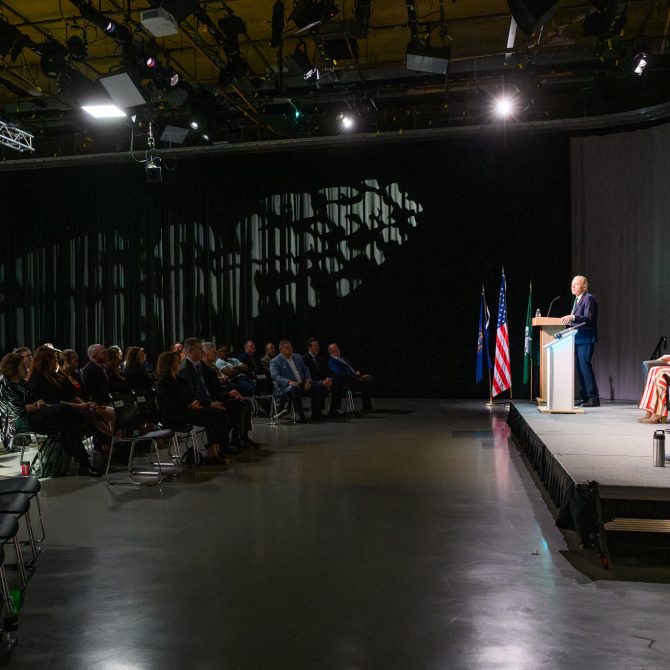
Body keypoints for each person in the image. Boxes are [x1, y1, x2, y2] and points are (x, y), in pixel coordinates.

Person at [0, 352, 102, 476]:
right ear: (13, 367)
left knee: (65, 427)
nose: (26, 367)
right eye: (22, 365)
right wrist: (36, 404)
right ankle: (90, 433)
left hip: (33, 415)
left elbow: (35, 400)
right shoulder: (5, 384)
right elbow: (18, 410)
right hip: (18, 421)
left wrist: (37, 402)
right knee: (64, 410)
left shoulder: (22, 383)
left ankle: (84, 464)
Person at [154, 350, 233, 464]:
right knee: (213, 415)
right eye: (177, 361)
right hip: (175, 415)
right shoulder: (163, 381)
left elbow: (191, 395)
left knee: (220, 412)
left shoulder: (179, 379)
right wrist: (189, 404)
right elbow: (167, 404)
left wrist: (196, 401)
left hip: (188, 410)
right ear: (169, 364)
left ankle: (219, 448)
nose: (179, 363)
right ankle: (212, 453)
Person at [177, 338, 241, 455]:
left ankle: (224, 445)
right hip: (192, 408)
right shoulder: (186, 368)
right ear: (191, 351)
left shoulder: (195, 366)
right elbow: (191, 394)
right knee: (218, 413)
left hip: (204, 402)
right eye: (200, 349)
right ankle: (219, 448)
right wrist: (210, 404)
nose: (202, 352)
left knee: (234, 407)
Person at [201, 342, 258, 447]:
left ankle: (242, 436)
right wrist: (228, 394)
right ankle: (232, 440)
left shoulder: (211, 367)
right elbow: (211, 391)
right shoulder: (204, 369)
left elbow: (218, 386)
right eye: (214, 352)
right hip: (214, 399)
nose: (216, 355)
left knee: (246, 402)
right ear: (205, 353)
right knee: (240, 404)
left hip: (221, 392)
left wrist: (228, 392)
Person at [560, 275, 599, 407]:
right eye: (572, 284)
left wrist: (573, 317)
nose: (572, 286)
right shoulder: (577, 300)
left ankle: (593, 398)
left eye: (576, 284)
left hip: (586, 338)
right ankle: (585, 397)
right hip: (577, 338)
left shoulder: (589, 298)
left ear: (584, 286)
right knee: (580, 369)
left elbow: (589, 318)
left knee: (585, 367)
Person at [270, 339, 324, 422]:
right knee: (294, 389)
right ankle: (301, 416)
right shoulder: (275, 361)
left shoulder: (297, 356)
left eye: (291, 347)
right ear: (281, 350)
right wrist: (289, 382)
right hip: (286, 387)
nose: (290, 349)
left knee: (317, 386)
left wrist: (307, 380)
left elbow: (306, 369)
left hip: (301, 384)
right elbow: (275, 376)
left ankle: (315, 414)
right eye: (288, 348)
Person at [327, 343, 374, 412]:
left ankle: (367, 407)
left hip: (353, 378)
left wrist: (355, 372)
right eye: (335, 351)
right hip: (346, 381)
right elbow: (338, 373)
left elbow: (350, 368)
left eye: (338, 350)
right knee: (367, 380)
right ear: (330, 352)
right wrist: (353, 374)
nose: (338, 352)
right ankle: (366, 407)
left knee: (368, 380)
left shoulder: (342, 358)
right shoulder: (332, 362)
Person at [302, 338, 341, 416]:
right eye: (315, 346)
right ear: (309, 348)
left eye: (318, 346)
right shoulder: (304, 359)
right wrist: (321, 382)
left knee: (336, 384)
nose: (317, 348)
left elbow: (326, 371)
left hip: (321, 381)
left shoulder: (320, 358)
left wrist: (328, 379)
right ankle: (316, 413)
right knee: (318, 386)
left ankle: (333, 410)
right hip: (310, 383)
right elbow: (305, 374)